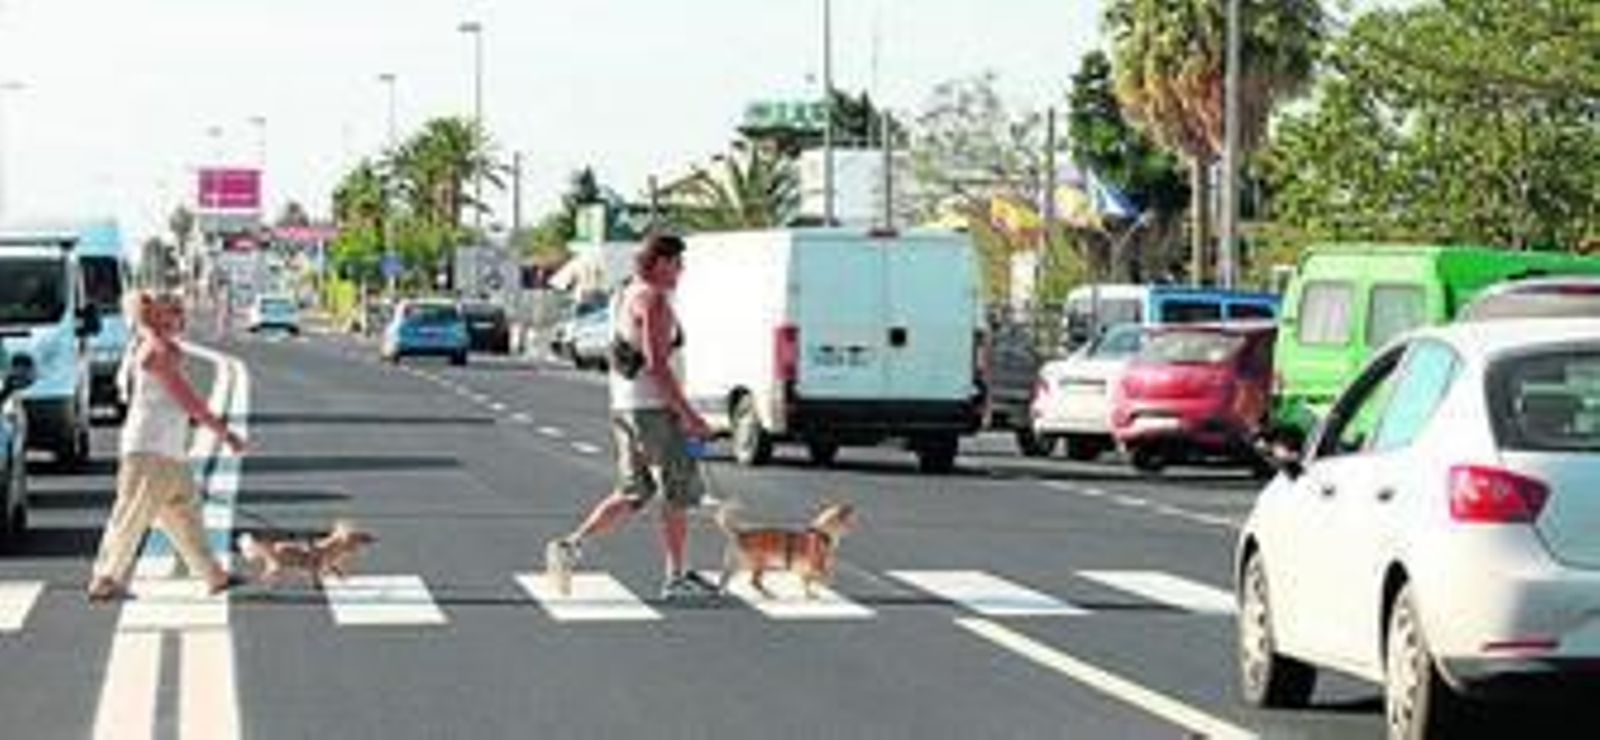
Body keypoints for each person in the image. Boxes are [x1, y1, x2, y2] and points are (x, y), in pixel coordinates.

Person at [545, 233, 716, 600]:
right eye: (677, 263)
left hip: (626, 403)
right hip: (653, 408)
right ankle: (676, 575)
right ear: (660, 263)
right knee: (678, 491)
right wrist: (688, 414)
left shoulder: (626, 291)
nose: (681, 270)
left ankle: (570, 545)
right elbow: (657, 364)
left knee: (634, 490)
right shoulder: (652, 299)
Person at [86, 291, 248, 602]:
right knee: (132, 515)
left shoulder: (148, 345)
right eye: (173, 311)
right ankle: (105, 578)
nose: (181, 315)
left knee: (184, 512)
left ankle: (213, 575)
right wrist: (225, 434)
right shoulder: (158, 350)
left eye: (180, 309)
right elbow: (187, 399)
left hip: (164, 448)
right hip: (150, 449)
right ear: (157, 316)